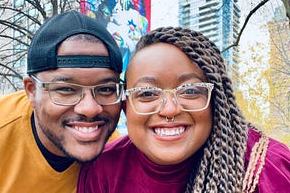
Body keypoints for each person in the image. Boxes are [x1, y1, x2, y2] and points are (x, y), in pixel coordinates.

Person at [77, 27, 290, 192]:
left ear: (216, 101)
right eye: (147, 93)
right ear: (126, 106)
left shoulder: (268, 167)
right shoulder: (102, 171)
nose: (169, 110)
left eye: (189, 91)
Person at [0, 10, 124, 192]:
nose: (90, 109)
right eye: (66, 89)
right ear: (32, 91)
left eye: (105, 89)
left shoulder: (117, 157)